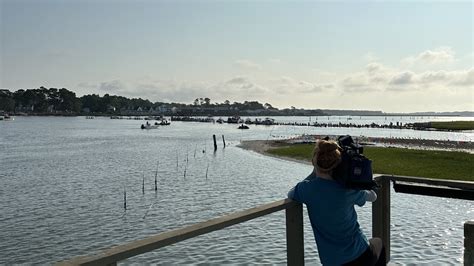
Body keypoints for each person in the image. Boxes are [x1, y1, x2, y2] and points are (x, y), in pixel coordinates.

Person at [287, 139, 386, 266]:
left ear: (314, 162)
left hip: (333, 262)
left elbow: (290, 193)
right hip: (361, 255)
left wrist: (313, 174)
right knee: (378, 243)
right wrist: (362, 181)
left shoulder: (306, 189)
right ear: (337, 163)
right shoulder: (347, 189)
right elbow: (373, 197)